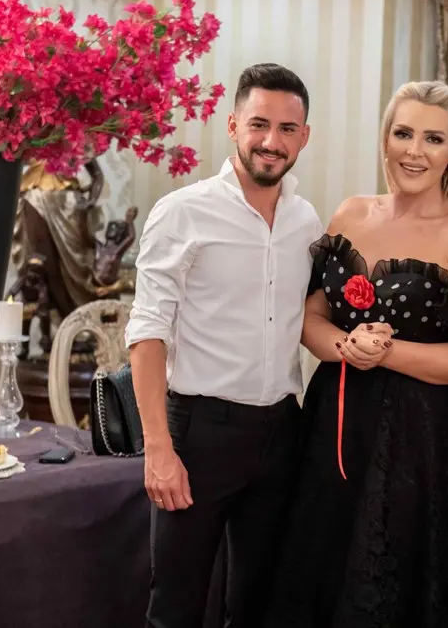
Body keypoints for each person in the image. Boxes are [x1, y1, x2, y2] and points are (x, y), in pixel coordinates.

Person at [266, 81, 448, 628]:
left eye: (433, 138)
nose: (414, 151)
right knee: (319, 569)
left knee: (393, 580)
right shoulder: (350, 213)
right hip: (332, 423)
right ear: (386, 139)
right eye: (403, 133)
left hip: (416, 437)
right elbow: (309, 319)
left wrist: (383, 353)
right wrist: (347, 347)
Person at [125, 63, 324, 628]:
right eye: (259, 124)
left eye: (287, 129)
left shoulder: (306, 222)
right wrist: (158, 450)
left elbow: (311, 319)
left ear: (304, 137)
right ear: (233, 124)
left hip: (282, 431)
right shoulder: (182, 212)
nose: (271, 141)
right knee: (177, 608)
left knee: (264, 607)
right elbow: (147, 332)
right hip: (200, 434)